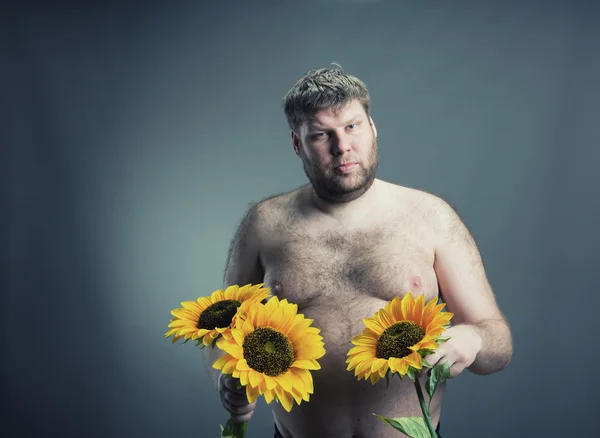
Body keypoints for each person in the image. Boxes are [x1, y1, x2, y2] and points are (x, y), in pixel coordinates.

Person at [205, 64, 513, 438]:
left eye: (353, 126)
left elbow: (498, 344)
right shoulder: (263, 225)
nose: (342, 146)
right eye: (322, 134)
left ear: (372, 127)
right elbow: (222, 334)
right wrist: (227, 378)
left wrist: (474, 339)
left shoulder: (431, 217)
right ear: (297, 143)